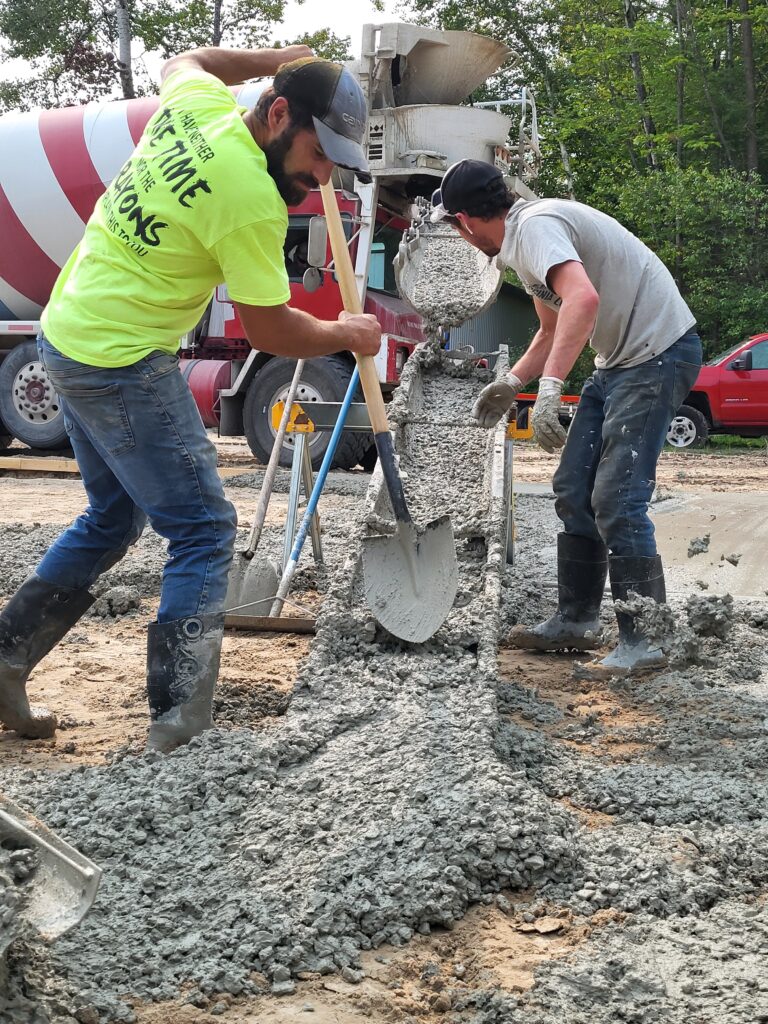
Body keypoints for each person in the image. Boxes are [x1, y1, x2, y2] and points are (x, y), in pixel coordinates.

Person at [0, 46, 382, 751]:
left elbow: (187, 58)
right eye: (318, 152)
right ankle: (180, 725)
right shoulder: (248, 199)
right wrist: (345, 329)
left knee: (114, 519)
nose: (323, 174)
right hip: (119, 360)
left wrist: (278, 55)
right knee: (204, 529)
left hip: (66, 334)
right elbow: (270, 327)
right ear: (276, 115)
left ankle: (5, 659)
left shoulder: (198, 107)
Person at [430, 159, 702, 675]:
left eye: (455, 229)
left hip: (658, 355)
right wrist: (513, 383)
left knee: (616, 500)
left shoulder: (535, 227)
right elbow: (550, 331)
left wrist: (552, 388)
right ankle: (577, 620)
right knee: (573, 488)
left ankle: (648, 641)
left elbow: (584, 299)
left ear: (464, 220)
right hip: (619, 363)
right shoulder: (524, 244)